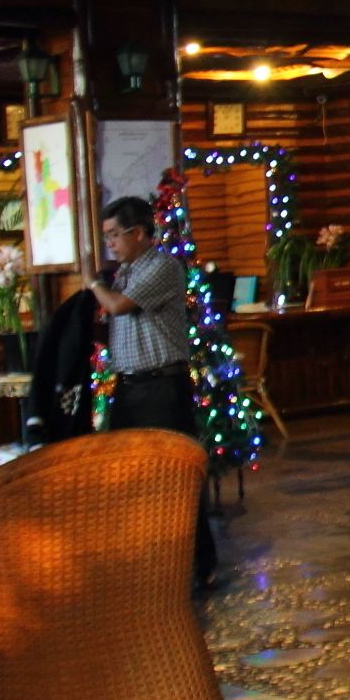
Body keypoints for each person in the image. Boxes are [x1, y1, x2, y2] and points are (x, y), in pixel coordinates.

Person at [89, 195, 215, 584]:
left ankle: (200, 564)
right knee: (129, 479)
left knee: (176, 477)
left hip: (162, 386)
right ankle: (151, 561)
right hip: (130, 387)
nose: (109, 243)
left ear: (140, 233)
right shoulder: (125, 271)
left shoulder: (161, 266)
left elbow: (120, 307)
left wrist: (92, 282)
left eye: (114, 235)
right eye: (105, 235)